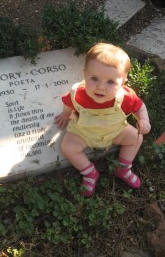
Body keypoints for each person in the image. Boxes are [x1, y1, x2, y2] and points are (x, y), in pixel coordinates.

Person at [54, 43, 151, 197]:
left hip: (115, 132)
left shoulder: (126, 97)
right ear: (84, 74)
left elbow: (139, 107)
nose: (101, 87)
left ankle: (123, 167)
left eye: (111, 82)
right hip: (83, 133)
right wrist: (65, 115)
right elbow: (68, 104)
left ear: (123, 82)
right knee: (68, 147)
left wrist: (143, 119)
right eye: (94, 79)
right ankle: (89, 172)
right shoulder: (78, 94)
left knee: (136, 137)